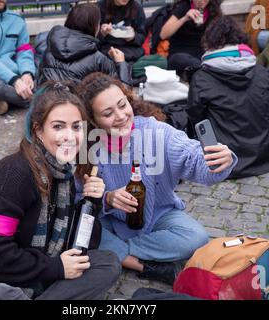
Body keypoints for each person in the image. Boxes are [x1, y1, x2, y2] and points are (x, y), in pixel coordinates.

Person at [0, 82, 121, 300]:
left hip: (30, 270)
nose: (69, 136)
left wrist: (93, 202)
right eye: (58, 126)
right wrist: (56, 268)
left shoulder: (64, 176)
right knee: (7, 296)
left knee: (107, 263)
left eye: (76, 127)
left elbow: (80, 246)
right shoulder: (16, 174)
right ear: (38, 131)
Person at [78, 72, 237, 285]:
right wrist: (107, 198)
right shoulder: (87, 146)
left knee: (197, 238)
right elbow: (78, 197)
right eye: (108, 113)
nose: (121, 116)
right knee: (84, 230)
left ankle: (122, 253)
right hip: (111, 221)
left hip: (158, 215)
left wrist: (218, 161)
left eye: (122, 105)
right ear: (93, 120)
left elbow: (192, 157)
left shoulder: (156, 132)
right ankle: (142, 265)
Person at [187, 16, 269, 179]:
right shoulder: (261, 72)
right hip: (263, 153)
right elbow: (266, 109)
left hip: (226, 157)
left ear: (210, 43)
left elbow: (195, 116)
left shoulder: (202, 77)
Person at [37, 3, 131, 86]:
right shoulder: (98, 60)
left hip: (46, 104)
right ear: (95, 26)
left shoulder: (49, 50)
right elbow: (123, 94)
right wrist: (121, 63)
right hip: (77, 105)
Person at [160, 0, 222, 80]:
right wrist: (185, 18)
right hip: (180, 53)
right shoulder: (184, 7)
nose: (201, 1)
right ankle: (204, 70)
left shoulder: (212, 9)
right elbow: (163, 34)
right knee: (183, 59)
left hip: (200, 54)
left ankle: (203, 70)